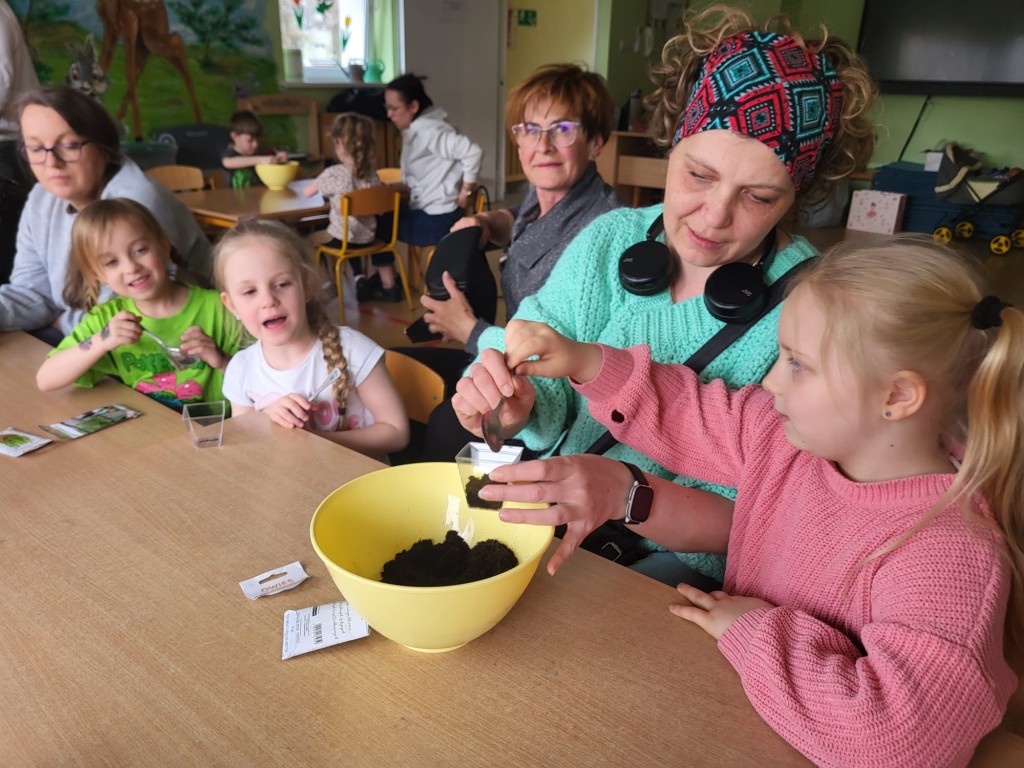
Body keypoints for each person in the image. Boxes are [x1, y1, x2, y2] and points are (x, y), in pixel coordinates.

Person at [481, 237, 1023, 768]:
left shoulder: (952, 553)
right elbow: (687, 410)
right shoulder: (786, 439)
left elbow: (898, 741)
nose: (772, 380)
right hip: (733, 706)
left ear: (897, 396)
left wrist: (755, 631)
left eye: (797, 364)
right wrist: (585, 361)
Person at [451, 4, 877, 588]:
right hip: (560, 522)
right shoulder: (610, 240)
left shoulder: (812, 307)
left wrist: (625, 495)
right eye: (698, 176)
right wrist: (512, 401)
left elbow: (772, 520)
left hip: (673, 569)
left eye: (758, 197)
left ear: (796, 196)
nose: (715, 216)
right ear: (672, 145)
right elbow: (534, 355)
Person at [413, 63, 621, 396]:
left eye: (562, 129)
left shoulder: (603, 232)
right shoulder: (545, 195)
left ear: (595, 142)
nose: (543, 145)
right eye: (530, 129)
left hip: (542, 393)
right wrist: (489, 222)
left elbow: (559, 360)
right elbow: (526, 220)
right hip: (504, 356)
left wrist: (468, 330)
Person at [0, 86, 212, 337]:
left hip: (178, 341)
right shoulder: (41, 198)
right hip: (89, 337)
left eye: (69, 145)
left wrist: (59, 323)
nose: (51, 162)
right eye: (36, 149)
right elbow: (34, 294)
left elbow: (130, 314)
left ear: (105, 145)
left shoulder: (134, 205)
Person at [215, 218, 409, 461]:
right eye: (249, 292)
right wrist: (267, 422)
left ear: (305, 285)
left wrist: (315, 440)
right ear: (231, 305)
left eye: (282, 284)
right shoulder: (241, 369)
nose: (268, 300)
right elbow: (248, 446)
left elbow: (397, 433)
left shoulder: (353, 349)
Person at [36, 199, 240, 408]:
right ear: (98, 274)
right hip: (150, 425)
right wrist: (103, 341)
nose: (131, 267)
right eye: (112, 262)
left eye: (140, 250)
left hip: (216, 426)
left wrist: (222, 361)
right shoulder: (107, 320)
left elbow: (259, 382)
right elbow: (46, 379)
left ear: (163, 246)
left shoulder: (220, 308)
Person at [373, 73, 482, 299]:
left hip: (438, 220)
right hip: (432, 212)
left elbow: (473, 152)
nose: (389, 114)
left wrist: (467, 190)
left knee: (378, 223)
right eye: (387, 107)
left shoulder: (429, 131)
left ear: (413, 106)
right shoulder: (417, 130)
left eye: (394, 108)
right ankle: (388, 280)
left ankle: (387, 284)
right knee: (385, 215)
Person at [302, 112, 388, 298]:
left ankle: (326, 283)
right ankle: (359, 276)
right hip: (368, 237)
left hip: (341, 239)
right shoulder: (372, 175)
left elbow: (307, 192)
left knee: (308, 240)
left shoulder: (334, 173)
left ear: (339, 143)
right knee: (350, 227)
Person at [221, 109, 289, 189]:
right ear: (234, 136)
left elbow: (270, 162)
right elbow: (227, 163)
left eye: (258, 140)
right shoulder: (229, 153)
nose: (255, 144)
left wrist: (278, 159)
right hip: (235, 197)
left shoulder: (258, 153)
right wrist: (260, 160)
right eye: (250, 140)